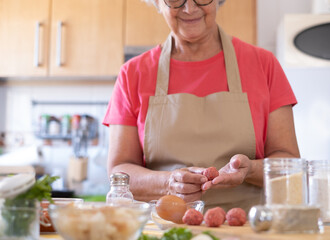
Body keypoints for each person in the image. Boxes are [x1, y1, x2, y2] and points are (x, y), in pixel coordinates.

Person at [103, 0, 300, 212]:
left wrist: (250, 169)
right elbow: (119, 172)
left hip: (246, 228)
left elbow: (290, 164)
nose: (190, 8)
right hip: (164, 230)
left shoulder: (263, 65)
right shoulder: (132, 74)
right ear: (158, 3)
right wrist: (169, 183)